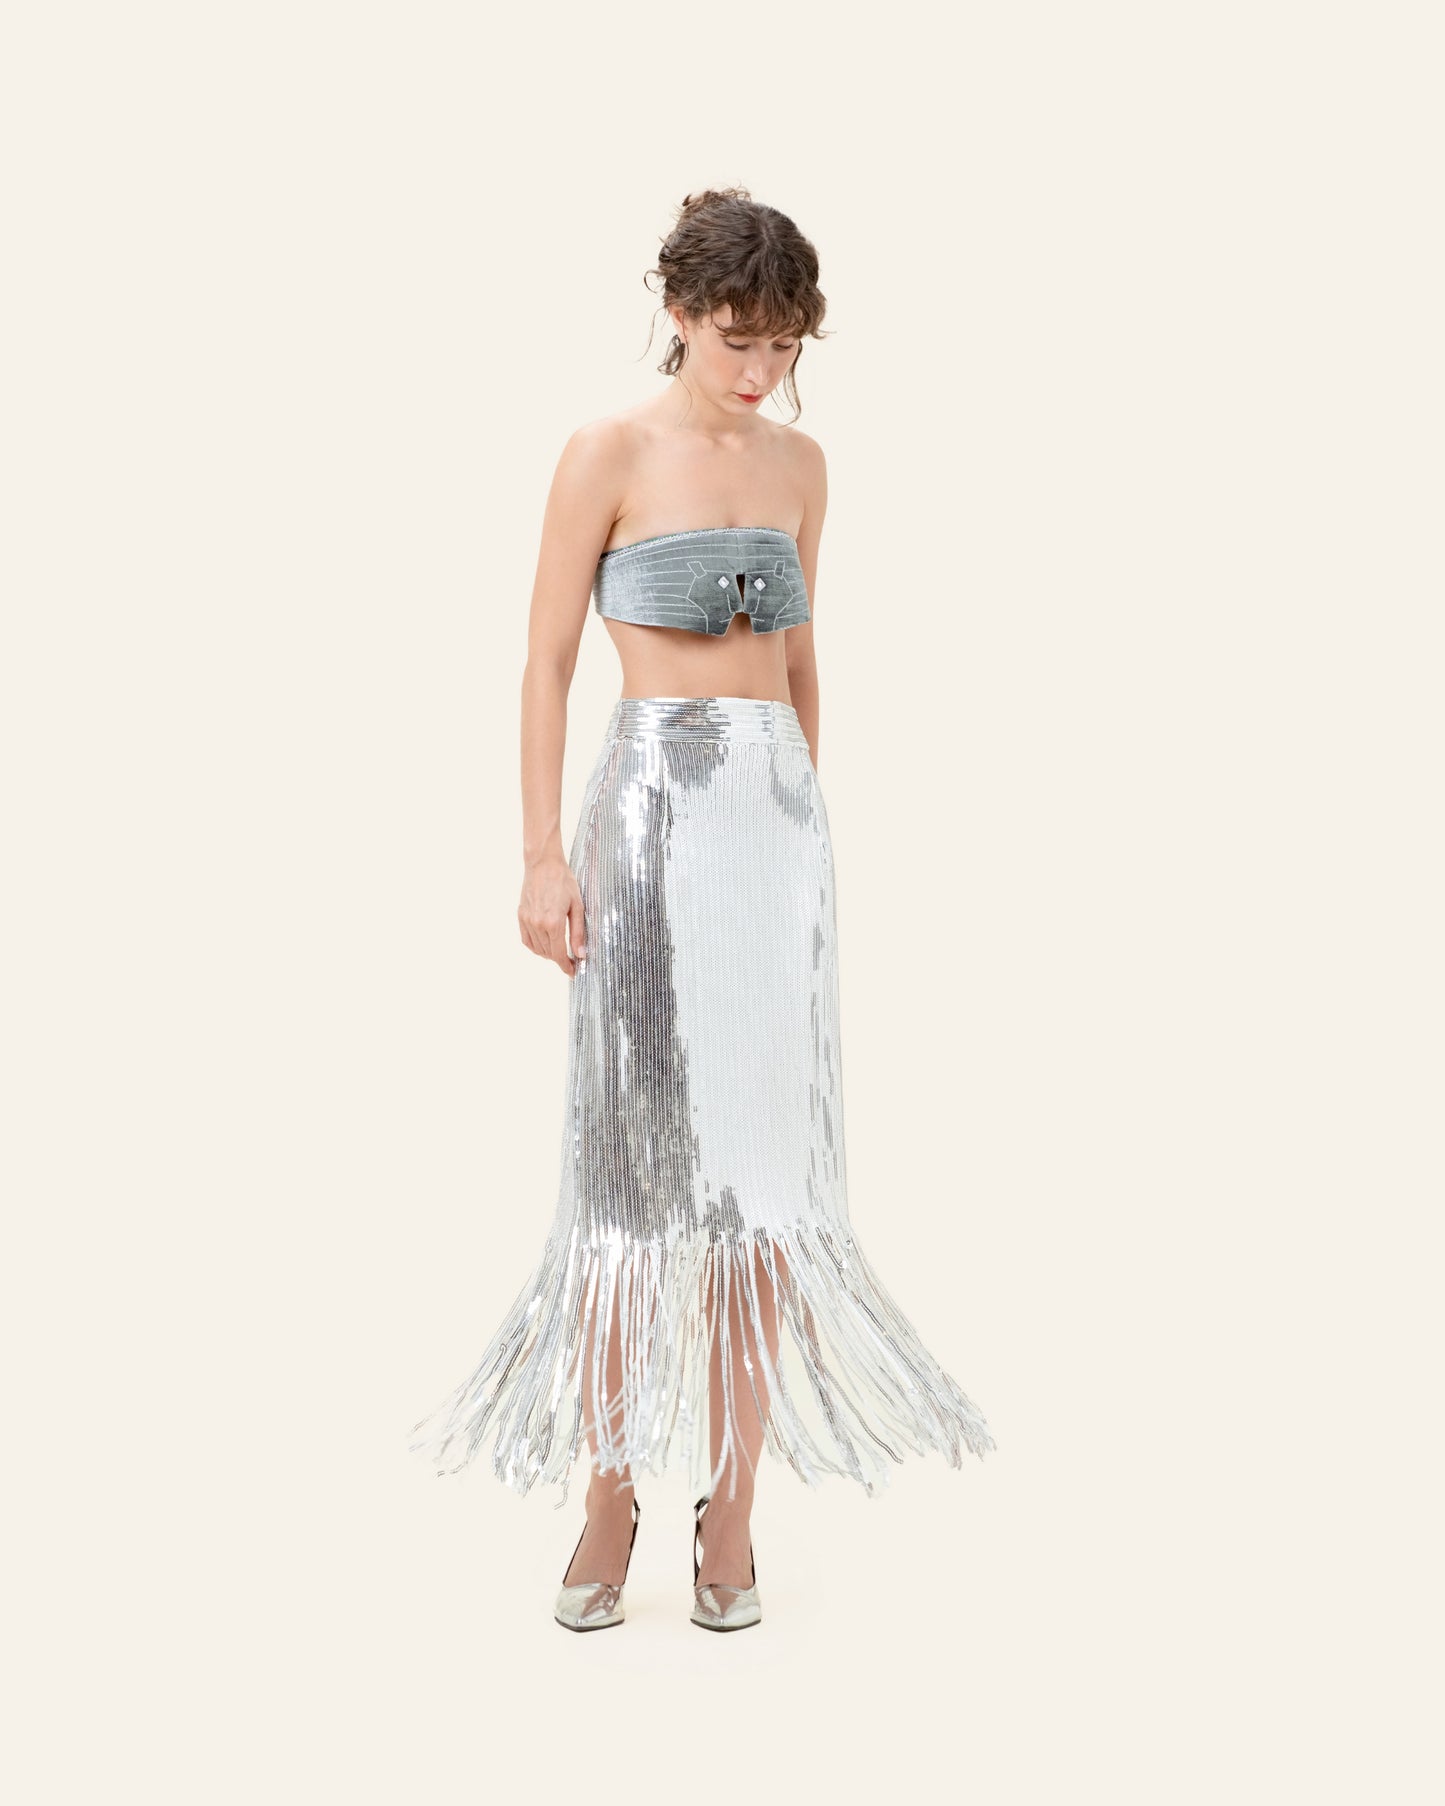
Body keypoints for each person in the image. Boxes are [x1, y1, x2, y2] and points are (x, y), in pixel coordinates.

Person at [409, 186, 995, 1633]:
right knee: (635, 1178)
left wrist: (807, 824)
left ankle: (729, 1507)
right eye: (739, 338)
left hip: (773, 829)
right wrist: (538, 856)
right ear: (678, 312)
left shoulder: (802, 463)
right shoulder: (605, 451)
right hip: (650, 814)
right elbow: (546, 661)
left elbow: (801, 659)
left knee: (766, 1181)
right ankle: (610, 1492)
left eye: (784, 344)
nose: (760, 369)